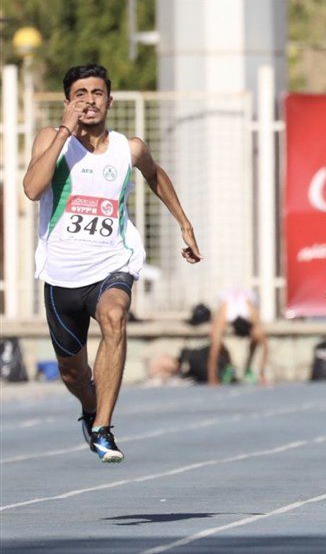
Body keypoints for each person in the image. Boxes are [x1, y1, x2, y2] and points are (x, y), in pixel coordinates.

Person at [22, 64, 202, 462]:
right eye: (81, 94)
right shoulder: (52, 139)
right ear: (68, 101)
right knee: (72, 371)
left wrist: (184, 223)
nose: (89, 101)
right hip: (62, 273)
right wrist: (64, 131)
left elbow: (155, 175)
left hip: (112, 263)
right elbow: (33, 189)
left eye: (97, 93)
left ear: (110, 100)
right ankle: (90, 409)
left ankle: (104, 427)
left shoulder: (128, 147)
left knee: (115, 316)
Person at [207, 287, 270, 386]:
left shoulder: (251, 312)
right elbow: (214, 346)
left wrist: (262, 375)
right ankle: (229, 365)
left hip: (248, 297)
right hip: (227, 297)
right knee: (216, 339)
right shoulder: (224, 312)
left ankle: (248, 366)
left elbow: (265, 345)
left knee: (257, 337)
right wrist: (212, 377)